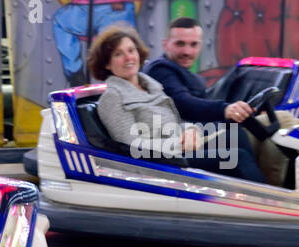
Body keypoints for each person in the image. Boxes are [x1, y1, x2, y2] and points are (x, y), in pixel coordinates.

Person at [89, 25, 264, 182]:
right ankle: (267, 205)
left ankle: (267, 192)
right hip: (163, 161)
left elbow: (174, 120)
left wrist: (190, 131)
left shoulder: (150, 86)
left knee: (235, 136)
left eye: (131, 50)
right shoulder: (113, 97)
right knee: (237, 157)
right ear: (107, 64)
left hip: (180, 148)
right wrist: (178, 143)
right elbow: (130, 145)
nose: (128, 58)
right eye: (118, 54)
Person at [145, 16, 265, 180]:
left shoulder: (182, 72)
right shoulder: (161, 70)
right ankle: (271, 195)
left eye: (193, 44)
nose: (187, 51)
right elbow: (183, 102)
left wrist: (239, 108)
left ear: (200, 45)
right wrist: (225, 109)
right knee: (237, 138)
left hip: (189, 134)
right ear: (166, 44)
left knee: (269, 126)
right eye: (180, 44)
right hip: (177, 141)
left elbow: (206, 99)